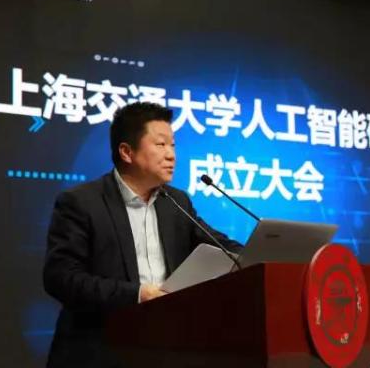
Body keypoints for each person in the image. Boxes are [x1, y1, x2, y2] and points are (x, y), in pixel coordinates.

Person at [43, 102, 243, 368]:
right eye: (161, 145)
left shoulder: (176, 202)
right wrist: (137, 294)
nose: (171, 155)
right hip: (98, 350)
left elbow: (218, 245)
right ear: (127, 152)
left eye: (173, 145)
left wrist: (260, 253)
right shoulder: (81, 202)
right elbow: (60, 278)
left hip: (163, 349)